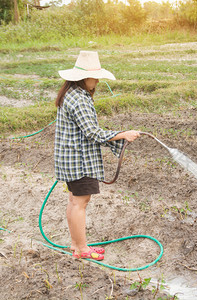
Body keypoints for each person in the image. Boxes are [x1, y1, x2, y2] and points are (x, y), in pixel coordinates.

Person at [54, 51, 140, 260]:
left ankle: (77, 245)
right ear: (84, 77)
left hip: (71, 159)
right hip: (80, 161)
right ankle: (82, 249)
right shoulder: (79, 100)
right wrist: (123, 135)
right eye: (95, 76)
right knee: (80, 203)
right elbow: (92, 132)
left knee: (74, 201)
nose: (98, 80)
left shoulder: (72, 94)